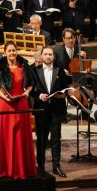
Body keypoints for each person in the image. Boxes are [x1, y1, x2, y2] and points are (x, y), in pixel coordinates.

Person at [0, 43, 37, 179]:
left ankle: (22, 169)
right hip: (5, 104)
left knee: (20, 136)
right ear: (5, 53)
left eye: (14, 50)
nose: (12, 53)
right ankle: (6, 169)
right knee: (6, 135)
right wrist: (5, 97)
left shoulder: (24, 66)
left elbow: (31, 84)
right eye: (9, 51)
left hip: (21, 103)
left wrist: (27, 92)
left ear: (17, 51)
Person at [30, 45, 71, 177]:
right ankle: (41, 167)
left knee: (55, 139)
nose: (48, 57)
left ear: (53, 56)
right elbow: (31, 90)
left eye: (50, 54)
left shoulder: (60, 70)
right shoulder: (34, 70)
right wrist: (39, 96)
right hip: (41, 110)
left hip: (56, 109)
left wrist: (63, 95)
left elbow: (65, 88)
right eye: (46, 54)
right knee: (41, 139)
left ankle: (56, 166)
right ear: (42, 56)